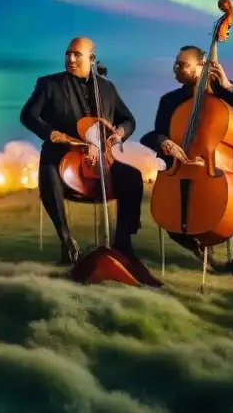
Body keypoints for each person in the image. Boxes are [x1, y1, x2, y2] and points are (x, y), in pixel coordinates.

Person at [20, 37, 153, 280]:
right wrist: (50, 134)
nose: (70, 59)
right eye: (67, 54)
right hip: (62, 156)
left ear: (92, 59)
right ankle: (66, 240)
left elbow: (128, 120)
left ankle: (123, 244)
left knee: (132, 178)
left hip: (102, 158)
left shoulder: (107, 88)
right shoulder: (49, 84)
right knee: (48, 171)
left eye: (77, 55)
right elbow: (28, 115)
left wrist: (119, 133)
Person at [140, 45, 233, 279]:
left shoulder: (224, 91)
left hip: (228, 163)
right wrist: (164, 142)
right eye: (175, 63)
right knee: (177, 206)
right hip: (182, 166)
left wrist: (228, 86)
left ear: (201, 66)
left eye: (182, 64)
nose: (175, 68)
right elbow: (155, 133)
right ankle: (197, 246)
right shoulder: (170, 101)